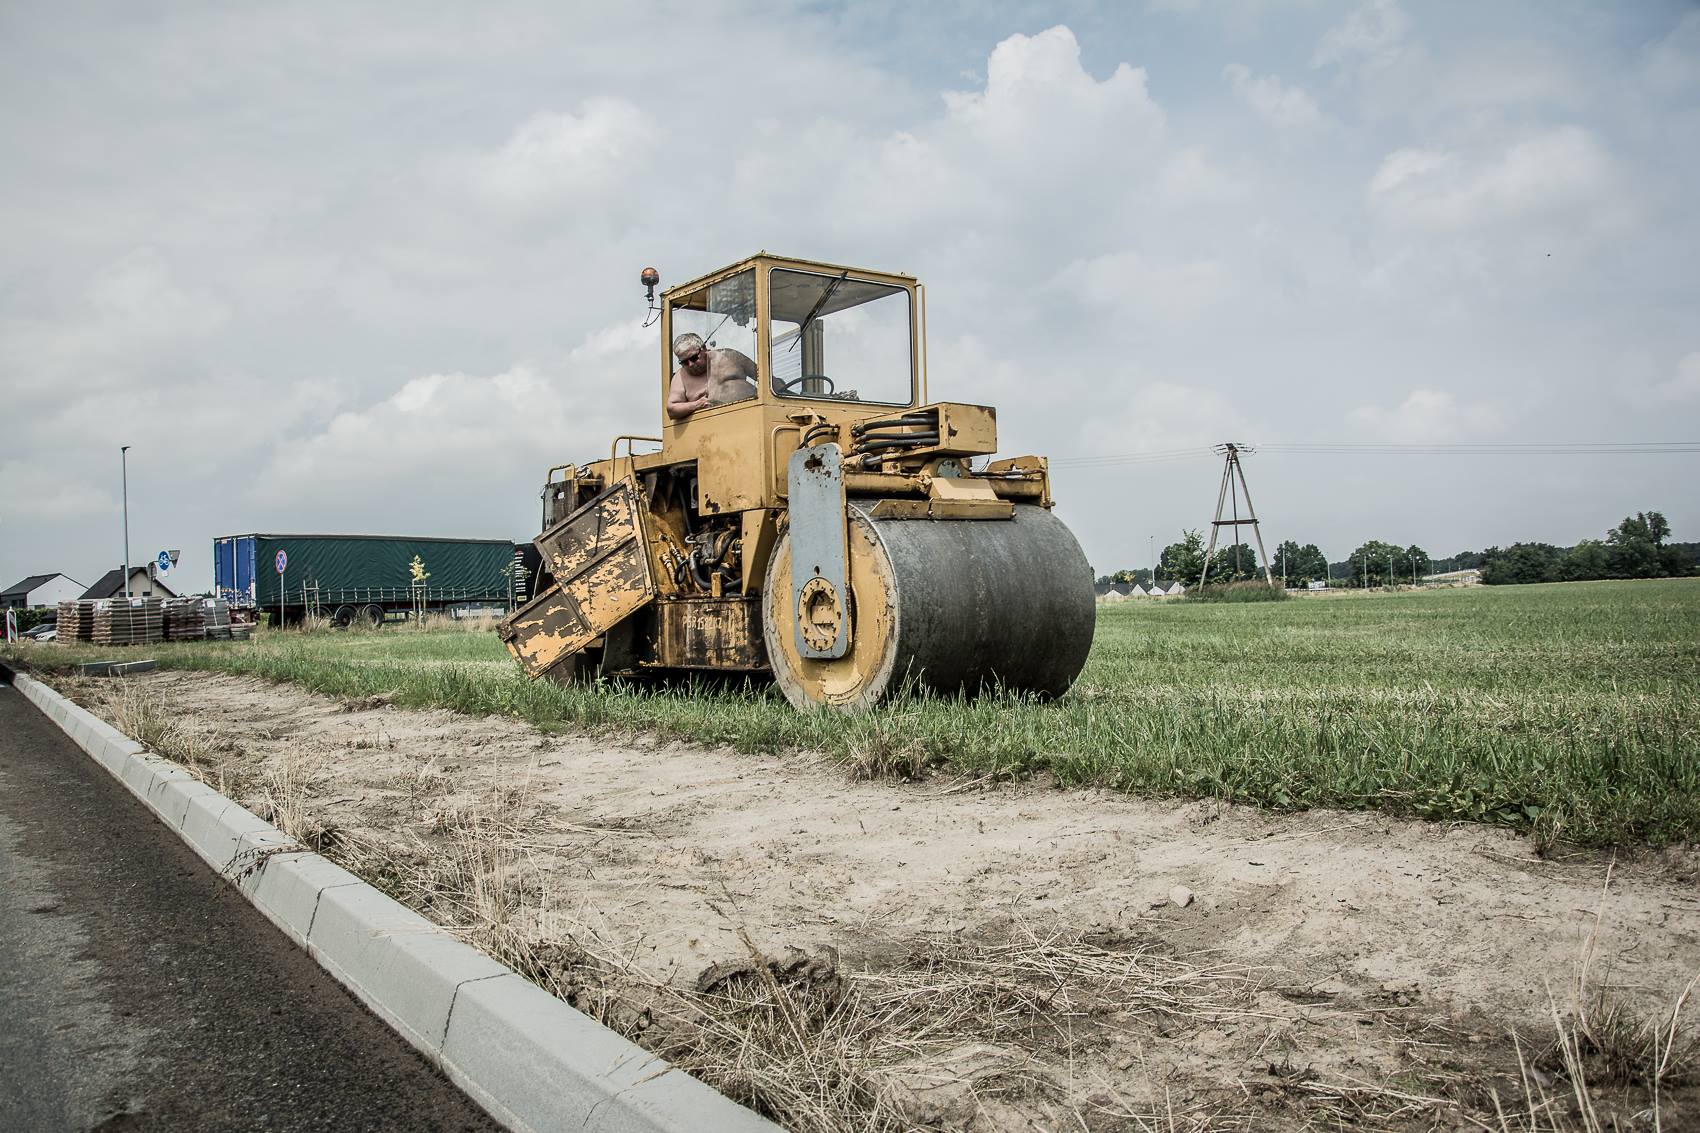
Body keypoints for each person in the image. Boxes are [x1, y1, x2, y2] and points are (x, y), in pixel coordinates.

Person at [666, 333, 757, 420]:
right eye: (684, 362)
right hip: (711, 428)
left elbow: (764, 377)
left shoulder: (729, 357)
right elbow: (671, 409)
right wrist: (697, 404)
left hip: (752, 412)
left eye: (693, 358)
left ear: (704, 348)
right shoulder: (680, 377)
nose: (690, 364)